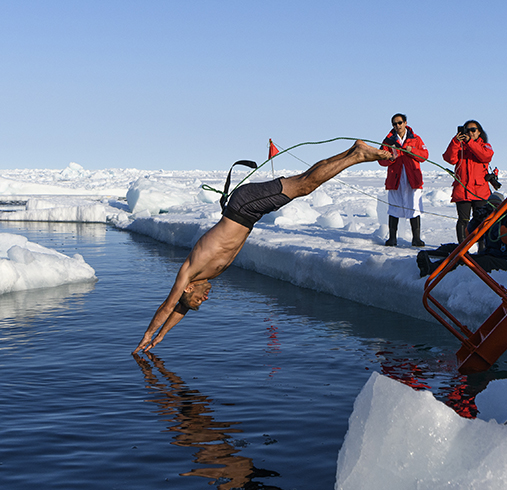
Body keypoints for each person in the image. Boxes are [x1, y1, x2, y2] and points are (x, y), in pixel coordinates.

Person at [134, 140, 395, 353]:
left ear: (187, 288)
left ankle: (357, 155)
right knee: (304, 182)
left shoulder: (188, 273)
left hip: (243, 207)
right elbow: (180, 308)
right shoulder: (198, 279)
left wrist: (148, 334)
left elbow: (168, 306)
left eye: (198, 298)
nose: (205, 298)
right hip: (247, 211)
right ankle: (353, 151)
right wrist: (162, 337)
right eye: (202, 301)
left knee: (304, 185)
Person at [415, 190, 507, 276]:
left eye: (494, 207)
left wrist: (492, 223)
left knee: (468, 261)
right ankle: (431, 257)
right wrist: (478, 220)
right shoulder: (492, 218)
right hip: (491, 255)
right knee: (454, 249)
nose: (491, 210)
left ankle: (433, 269)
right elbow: (470, 235)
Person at [379, 113, 429, 246]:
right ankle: (392, 238)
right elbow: (380, 160)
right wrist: (389, 158)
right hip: (395, 179)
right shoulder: (388, 141)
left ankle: (416, 238)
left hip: (412, 178)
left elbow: (424, 155)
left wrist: (412, 150)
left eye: (400, 123)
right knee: (394, 207)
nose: (397, 126)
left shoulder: (416, 139)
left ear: (405, 123)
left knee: (414, 206)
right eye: (394, 124)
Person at [442, 120, 495, 244]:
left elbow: (485, 156)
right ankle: (462, 249)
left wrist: (469, 143)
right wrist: (455, 141)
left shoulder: (485, 146)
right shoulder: (459, 146)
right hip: (462, 189)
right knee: (463, 220)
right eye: (467, 130)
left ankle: (482, 249)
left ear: (479, 132)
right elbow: (449, 158)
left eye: (473, 130)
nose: (470, 133)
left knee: (482, 220)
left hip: (480, 190)